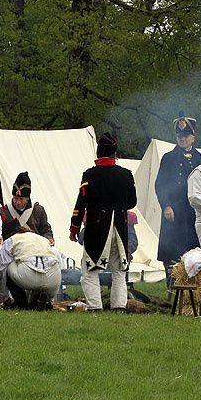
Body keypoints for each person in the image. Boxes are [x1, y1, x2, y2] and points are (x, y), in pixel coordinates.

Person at [69, 132, 137, 311]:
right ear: (114, 152)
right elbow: (132, 202)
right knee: (119, 272)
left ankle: (95, 307)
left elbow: (80, 204)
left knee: (89, 270)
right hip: (120, 229)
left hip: (97, 228)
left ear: (99, 151)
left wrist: (74, 228)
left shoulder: (90, 175)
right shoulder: (126, 175)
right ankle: (118, 308)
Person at [155, 113, 201, 283]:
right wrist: (166, 205)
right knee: (172, 250)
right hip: (174, 211)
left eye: (186, 136)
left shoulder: (199, 158)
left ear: (193, 137)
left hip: (193, 211)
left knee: (193, 248)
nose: (182, 139)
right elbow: (160, 184)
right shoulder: (168, 158)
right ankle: (172, 284)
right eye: (179, 136)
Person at [0, 219, 61, 309]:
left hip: (29, 277)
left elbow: (0, 269)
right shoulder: (41, 238)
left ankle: (20, 303)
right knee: (31, 265)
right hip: (54, 279)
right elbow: (57, 257)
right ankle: (42, 301)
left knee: (8, 263)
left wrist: (4, 297)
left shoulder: (10, 240)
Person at [0, 171, 54, 244]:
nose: (18, 202)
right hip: (12, 248)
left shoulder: (39, 210)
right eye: (15, 198)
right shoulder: (2, 211)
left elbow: (45, 230)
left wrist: (49, 238)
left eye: (21, 199)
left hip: (35, 246)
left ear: (27, 199)